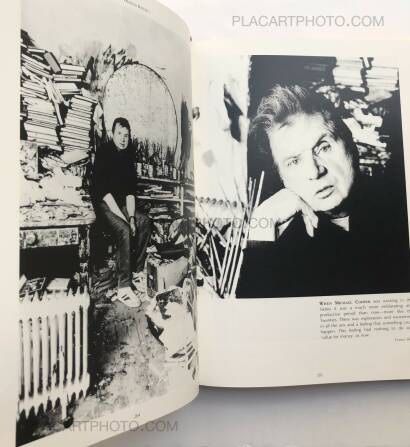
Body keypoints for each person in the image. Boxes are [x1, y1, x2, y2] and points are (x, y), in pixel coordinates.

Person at [237, 85, 409, 298]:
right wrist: (261, 225)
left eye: (324, 147)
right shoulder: (280, 244)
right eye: (294, 161)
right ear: (282, 177)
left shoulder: (400, 209)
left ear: (350, 143)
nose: (314, 171)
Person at [91, 117, 152, 307]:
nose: (123, 139)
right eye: (119, 134)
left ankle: (136, 273)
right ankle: (123, 287)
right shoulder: (103, 152)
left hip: (120, 203)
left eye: (126, 135)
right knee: (124, 229)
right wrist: (124, 220)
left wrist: (132, 218)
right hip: (104, 204)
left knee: (144, 221)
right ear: (112, 134)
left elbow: (130, 193)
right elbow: (105, 194)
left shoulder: (128, 157)